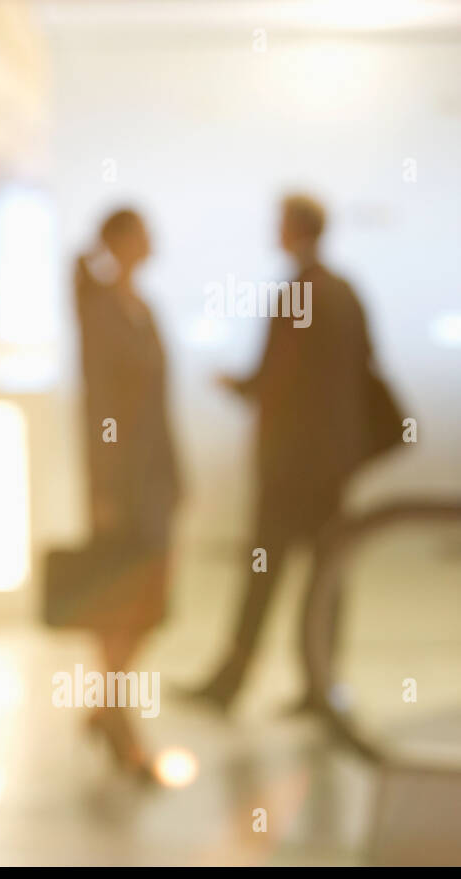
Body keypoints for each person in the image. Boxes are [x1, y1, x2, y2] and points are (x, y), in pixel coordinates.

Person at [186, 194, 373, 714]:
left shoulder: (298, 294)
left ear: (294, 230)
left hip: (290, 467)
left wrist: (237, 385)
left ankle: (232, 683)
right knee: (327, 576)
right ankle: (321, 684)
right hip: (332, 466)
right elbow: (361, 369)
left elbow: (273, 380)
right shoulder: (344, 293)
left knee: (263, 573)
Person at [72, 209, 182, 779]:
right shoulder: (100, 312)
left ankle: (106, 705)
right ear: (118, 243)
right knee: (124, 598)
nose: (151, 240)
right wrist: (104, 487)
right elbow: (98, 406)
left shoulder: (145, 310)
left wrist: (176, 474)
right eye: (141, 232)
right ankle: (118, 714)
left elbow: (162, 402)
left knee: (150, 602)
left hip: (156, 476)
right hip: (123, 479)